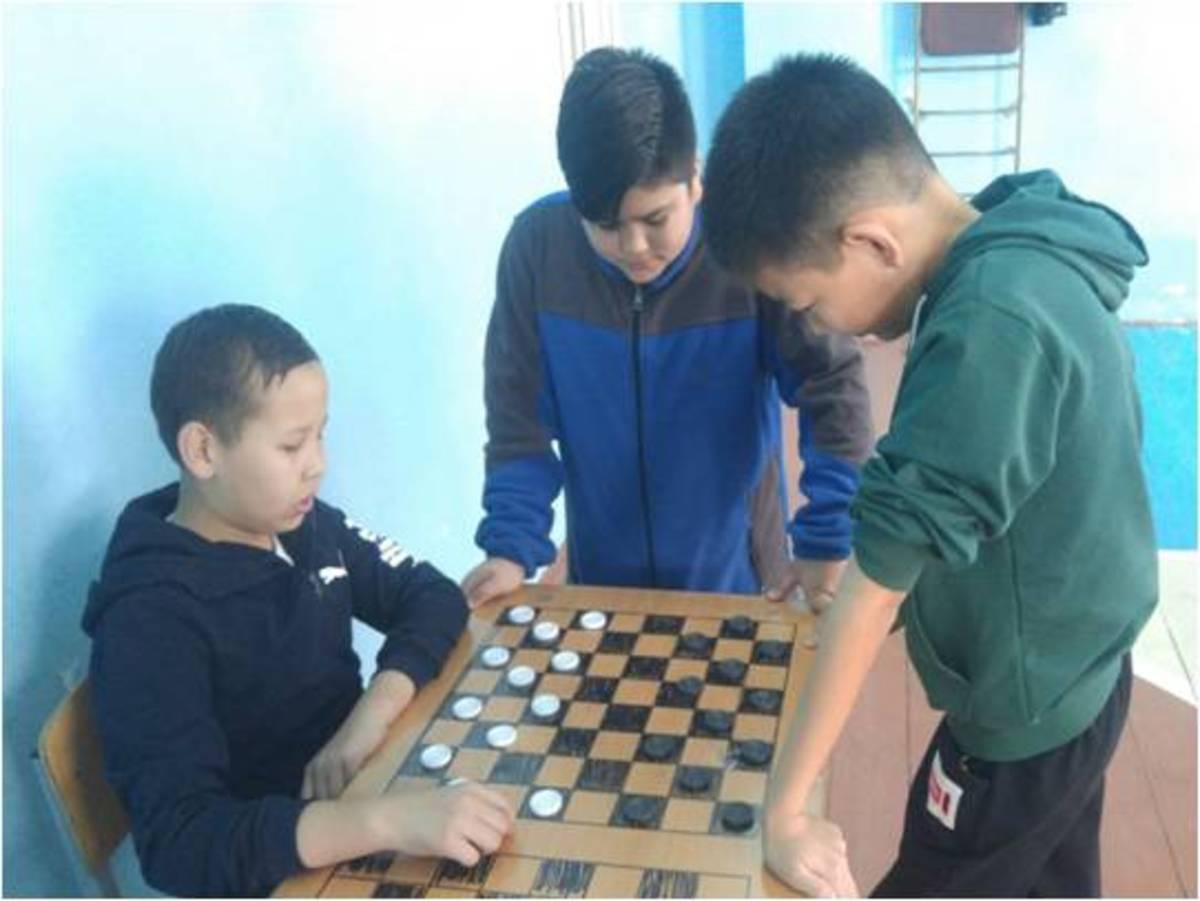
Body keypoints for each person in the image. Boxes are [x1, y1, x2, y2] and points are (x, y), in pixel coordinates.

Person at [702, 54, 1157, 897]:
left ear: (872, 241)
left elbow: (875, 590)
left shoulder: (991, 324)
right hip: (1079, 671)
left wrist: (786, 811)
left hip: (1022, 717)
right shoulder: (1019, 241)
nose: (818, 326)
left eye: (806, 304)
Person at [83, 304, 513, 896]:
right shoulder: (148, 620)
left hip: (368, 787)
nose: (318, 466)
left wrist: (368, 719)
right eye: (291, 446)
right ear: (203, 451)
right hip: (285, 869)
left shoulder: (300, 523)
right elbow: (181, 845)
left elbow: (433, 596)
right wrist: (385, 822)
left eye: (320, 435)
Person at [463, 47, 873, 610]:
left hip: (740, 577)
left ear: (695, 180)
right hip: (602, 582)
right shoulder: (537, 251)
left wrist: (827, 535)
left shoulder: (746, 248)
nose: (633, 247)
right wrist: (510, 547)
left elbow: (832, 382)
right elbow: (517, 419)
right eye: (605, 225)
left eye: (655, 219)